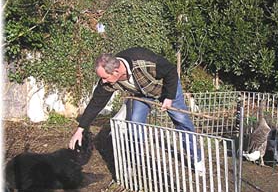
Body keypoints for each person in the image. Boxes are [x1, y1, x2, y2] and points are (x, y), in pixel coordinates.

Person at [69, 47, 204, 174]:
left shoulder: (144, 61)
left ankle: (197, 160)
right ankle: (135, 163)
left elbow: (170, 71)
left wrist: (169, 97)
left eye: (105, 77)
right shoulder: (109, 81)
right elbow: (96, 103)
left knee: (182, 122)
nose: (103, 82)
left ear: (116, 71)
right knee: (135, 124)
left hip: (166, 88)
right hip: (142, 94)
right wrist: (80, 129)